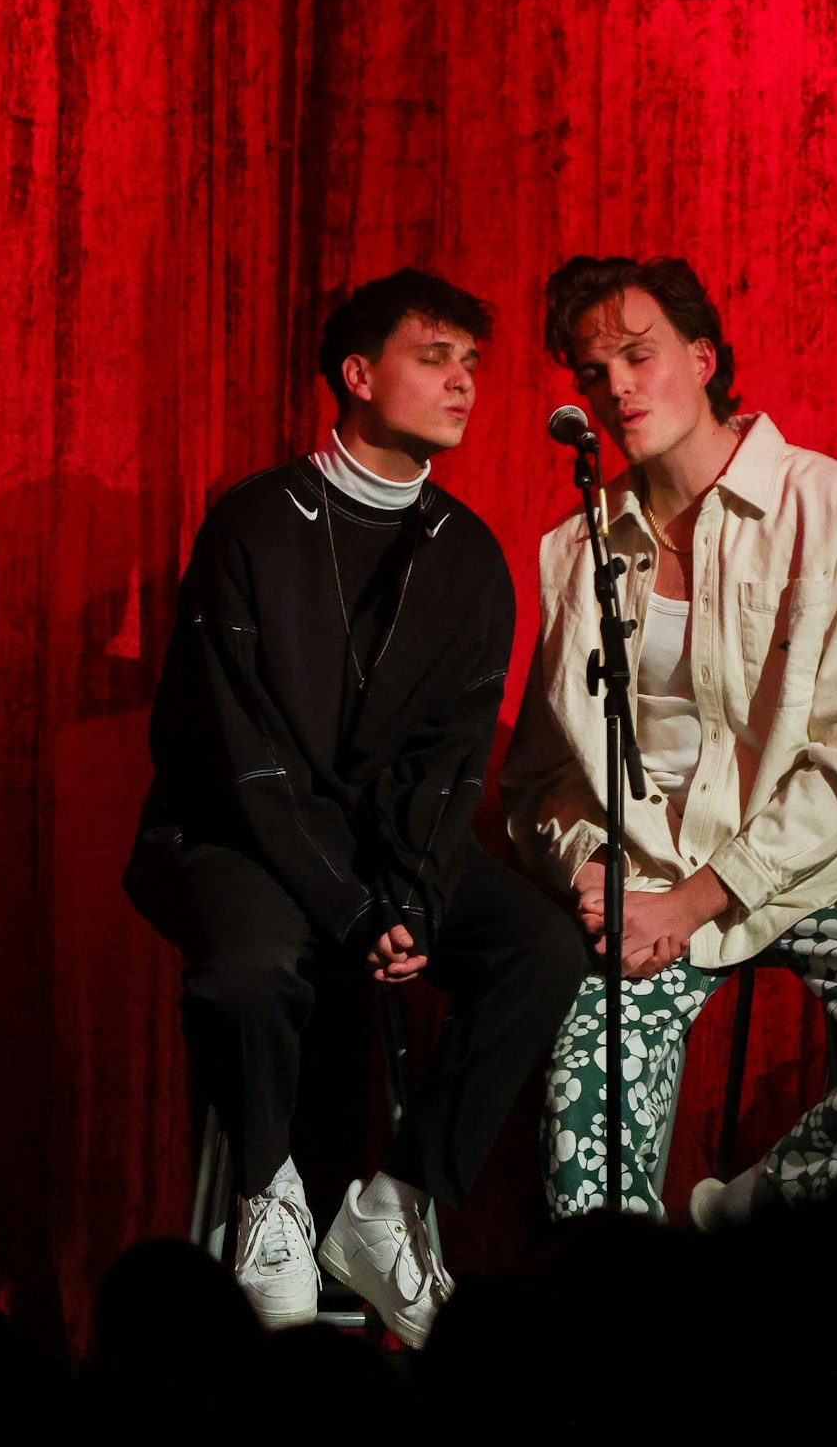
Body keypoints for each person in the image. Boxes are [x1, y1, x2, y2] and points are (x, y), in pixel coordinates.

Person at [124, 270, 585, 1346]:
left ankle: (393, 1205)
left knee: (539, 947)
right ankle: (266, 1196)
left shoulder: (466, 554)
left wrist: (412, 901)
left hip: (379, 842)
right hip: (232, 831)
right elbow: (236, 749)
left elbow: (449, 760)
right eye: (435, 358)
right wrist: (349, 909)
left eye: (471, 363)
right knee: (245, 968)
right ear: (356, 375)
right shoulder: (251, 523)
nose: (462, 382)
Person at [504, 255, 837, 1223]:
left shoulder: (833, 511)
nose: (616, 389)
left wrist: (694, 900)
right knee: (582, 1118)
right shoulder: (576, 552)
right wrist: (593, 871)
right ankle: (624, 1339)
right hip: (641, 890)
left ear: (702, 355)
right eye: (592, 373)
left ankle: (738, 1217)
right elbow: (543, 778)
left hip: (826, 867)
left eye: (636, 357)